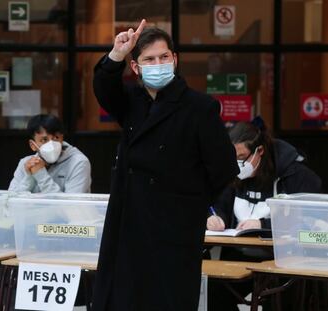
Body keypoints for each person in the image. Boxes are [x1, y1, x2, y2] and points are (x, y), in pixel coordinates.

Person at [92, 19, 239, 311]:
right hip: (129, 224)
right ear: (136, 68)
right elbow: (104, 88)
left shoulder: (200, 108)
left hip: (174, 230)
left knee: (166, 300)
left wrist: (191, 206)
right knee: (123, 299)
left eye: (164, 57)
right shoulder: (131, 102)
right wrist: (117, 53)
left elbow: (223, 168)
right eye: (149, 59)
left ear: (175, 59)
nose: (158, 64)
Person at [206, 120, 328, 311]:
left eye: (241, 158)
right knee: (215, 290)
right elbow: (219, 203)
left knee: (278, 298)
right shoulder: (232, 173)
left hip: (284, 258)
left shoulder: (294, 174)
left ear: (260, 151)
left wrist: (263, 224)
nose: (237, 165)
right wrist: (217, 218)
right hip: (240, 253)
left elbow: (309, 216)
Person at [8, 113, 91, 193]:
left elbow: (70, 205)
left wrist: (40, 174)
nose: (51, 144)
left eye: (56, 137)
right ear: (33, 145)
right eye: (44, 140)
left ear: (62, 138)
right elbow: (10, 201)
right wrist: (29, 177)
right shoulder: (26, 163)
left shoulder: (78, 163)